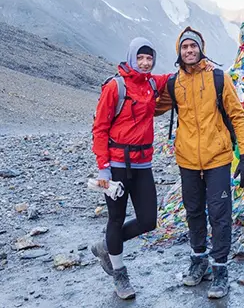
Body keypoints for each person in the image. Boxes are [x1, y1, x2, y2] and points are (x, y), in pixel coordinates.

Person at [155, 26, 244, 299]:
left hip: (217, 158)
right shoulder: (175, 84)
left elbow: (237, 116)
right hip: (187, 159)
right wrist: (127, 88)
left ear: (200, 49)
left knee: (220, 214)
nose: (189, 51)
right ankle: (199, 262)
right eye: (184, 47)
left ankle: (220, 269)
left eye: (193, 46)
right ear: (179, 51)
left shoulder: (219, 78)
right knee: (194, 211)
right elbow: (150, 108)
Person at [90, 37, 171, 300]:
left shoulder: (150, 83)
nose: (145, 63)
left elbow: (171, 77)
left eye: (149, 58)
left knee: (149, 220)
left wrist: (196, 64)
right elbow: (100, 128)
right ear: (132, 57)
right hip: (115, 166)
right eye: (141, 58)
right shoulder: (115, 87)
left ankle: (107, 246)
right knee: (115, 218)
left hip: (143, 163)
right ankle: (119, 272)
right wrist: (103, 168)